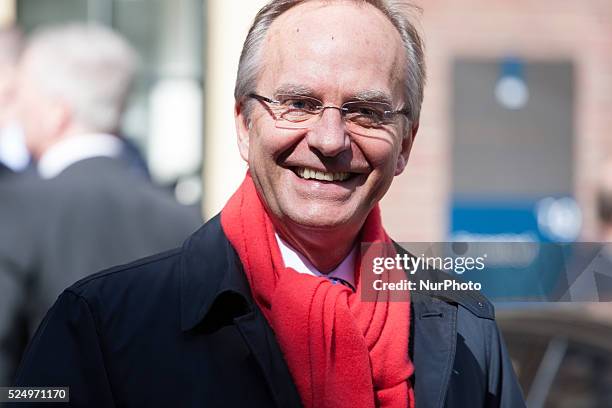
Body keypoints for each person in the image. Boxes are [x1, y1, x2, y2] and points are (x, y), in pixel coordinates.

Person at [11, 2, 525, 407]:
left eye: (366, 112)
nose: (329, 140)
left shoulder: (463, 327)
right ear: (243, 124)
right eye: (298, 103)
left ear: (405, 145)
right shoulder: (101, 325)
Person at [0, 23, 202, 387]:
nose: (14, 112)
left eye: (21, 98)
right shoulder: (182, 217)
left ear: (55, 113)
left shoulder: (16, 208)